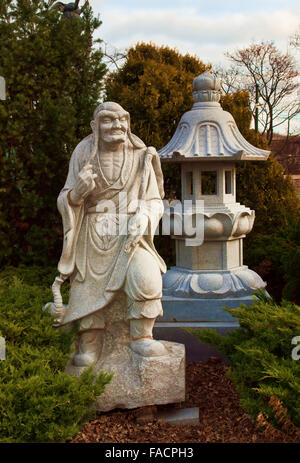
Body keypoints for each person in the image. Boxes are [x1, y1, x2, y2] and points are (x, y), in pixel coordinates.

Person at [54, 102, 167, 366]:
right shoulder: (83, 153)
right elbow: (64, 198)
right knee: (86, 283)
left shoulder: (141, 155)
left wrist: (144, 216)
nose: (116, 125)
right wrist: (78, 193)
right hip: (92, 234)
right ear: (95, 126)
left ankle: (141, 337)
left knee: (147, 275)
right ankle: (89, 342)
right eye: (108, 120)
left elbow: (155, 200)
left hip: (130, 234)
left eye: (122, 120)